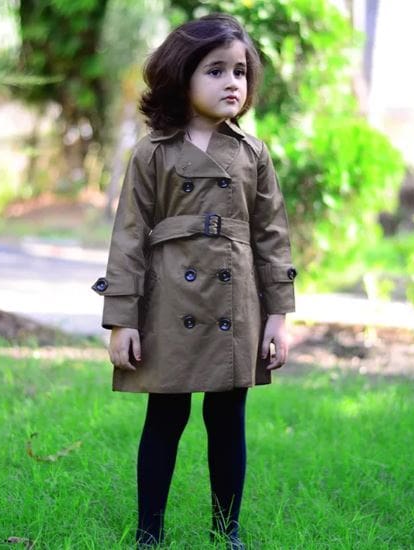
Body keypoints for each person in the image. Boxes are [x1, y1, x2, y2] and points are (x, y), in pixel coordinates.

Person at [92, 13, 297, 549]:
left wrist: (278, 317)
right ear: (182, 76)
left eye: (240, 71)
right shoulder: (153, 153)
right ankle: (148, 534)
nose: (233, 82)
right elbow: (128, 238)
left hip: (236, 304)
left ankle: (226, 532)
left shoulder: (253, 154)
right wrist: (122, 320)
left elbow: (273, 238)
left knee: (228, 418)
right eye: (216, 70)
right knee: (165, 415)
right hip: (170, 303)